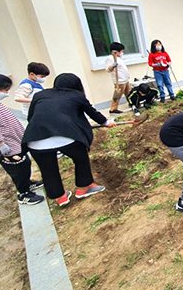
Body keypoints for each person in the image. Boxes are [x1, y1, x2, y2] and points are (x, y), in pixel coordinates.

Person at [22, 73, 116, 207]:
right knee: (81, 159)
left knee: (48, 169)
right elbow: (92, 113)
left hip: (36, 140)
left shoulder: (40, 95)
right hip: (66, 136)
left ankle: (60, 197)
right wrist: (106, 122)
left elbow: (31, 117)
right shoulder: (77, 95)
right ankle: (84, 188)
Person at [0, 74, 44, 205]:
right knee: (17, 169)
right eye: (5, 90)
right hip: (5, 146)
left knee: (25, 163)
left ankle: (27, 183)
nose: (6, 93)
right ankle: (24, 194)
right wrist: (0, 144)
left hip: (14, 142)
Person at [104, 42, 131, 114]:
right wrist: (112, 66)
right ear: (116, 52)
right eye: (121, 51)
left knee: (128, 92)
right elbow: (108, 69)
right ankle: (113, 108)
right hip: (119, 81)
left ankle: (132, 103)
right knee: (118, 94)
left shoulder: (119, 58)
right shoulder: (111, 58)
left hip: (125, 79)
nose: (122, 53)